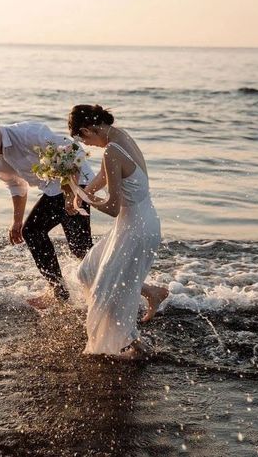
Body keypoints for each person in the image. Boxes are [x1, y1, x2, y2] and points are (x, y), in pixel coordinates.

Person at [0, 101, 94, 308]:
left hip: (77, 182)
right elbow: (16, 185)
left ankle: (72, 291)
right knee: (75, 247)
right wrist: (16, 221)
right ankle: (63, 291)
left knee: (74, 246)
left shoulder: (28, 133)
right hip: (53, 190)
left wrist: (70, 195)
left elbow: (71, 152)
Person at [68, 104, 168, 359]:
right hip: (139, 221)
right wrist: (88, 190)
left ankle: (130, 343)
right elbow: (108, 173)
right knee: (87, 271)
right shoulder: (119, 136)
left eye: (84, 140)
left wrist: (81, 196)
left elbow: (112, 208)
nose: (88, 145)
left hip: (136, 228)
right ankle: (152, 292)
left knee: (106, 290)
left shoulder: (111, 151)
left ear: (86, 130)